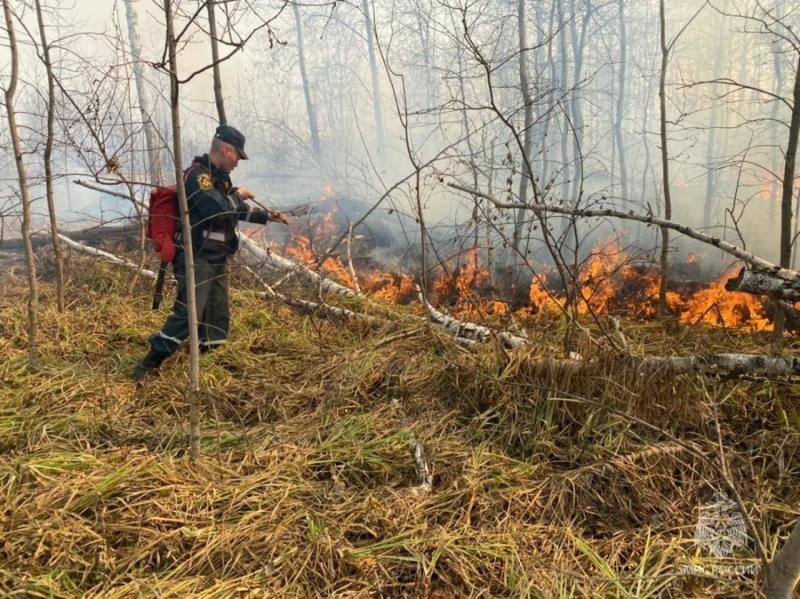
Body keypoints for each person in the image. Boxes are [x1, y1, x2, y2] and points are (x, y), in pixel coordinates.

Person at [132, 124, 288, 382]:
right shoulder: (197, 177)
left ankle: (211, 360)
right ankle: (149, 364)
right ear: (226, 150)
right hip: (196, 257)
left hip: (217, 256)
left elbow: (232, 211)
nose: (238, 162)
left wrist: (266, 216)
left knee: (217, 312)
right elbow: (215, 209)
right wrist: (238, 195)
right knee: (189, 313)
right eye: (238, 155)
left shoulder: (221, 179)